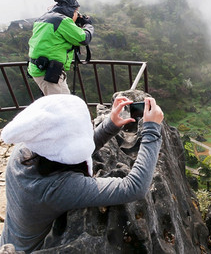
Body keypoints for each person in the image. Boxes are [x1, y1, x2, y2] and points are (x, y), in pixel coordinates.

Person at [0, 94, 164, 253]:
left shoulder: (26, 150)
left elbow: (62, 150)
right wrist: (152, 130)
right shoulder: (57, 187)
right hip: (32, 249)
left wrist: (110, 125)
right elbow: (134, 187)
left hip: (8, 239)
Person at [27, 0, 94, 95]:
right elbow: (84, 38)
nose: (77, 14)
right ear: (70, 10)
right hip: (48, 72)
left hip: (43, 69)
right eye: (76, 12)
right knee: (60, 106)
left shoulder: (43, 18)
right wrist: (88, 25)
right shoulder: (62, 20)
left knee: (65, 101)